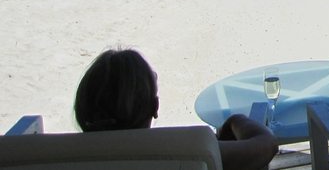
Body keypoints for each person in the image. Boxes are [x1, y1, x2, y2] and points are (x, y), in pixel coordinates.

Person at [75, 48, 278, 170]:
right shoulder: (187, 150)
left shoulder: (54, 153)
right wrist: (236, 120)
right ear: (155, 107)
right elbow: (265, 145)